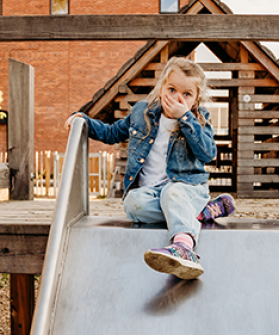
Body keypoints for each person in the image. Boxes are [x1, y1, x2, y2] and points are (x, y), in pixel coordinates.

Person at [66, 57, 235, 279]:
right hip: (150, 193)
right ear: (162, 87)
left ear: (196, 99)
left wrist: (185, 119)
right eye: (172, 89)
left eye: (187, 94)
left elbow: (207, 153)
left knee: (171, 193)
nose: (177, 98)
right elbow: (112, 133)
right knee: (133, 204)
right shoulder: (141, 112)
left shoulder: (198, 119)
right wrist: (84, 121)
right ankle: (200, 215)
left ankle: (184, 248)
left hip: (187, 188)